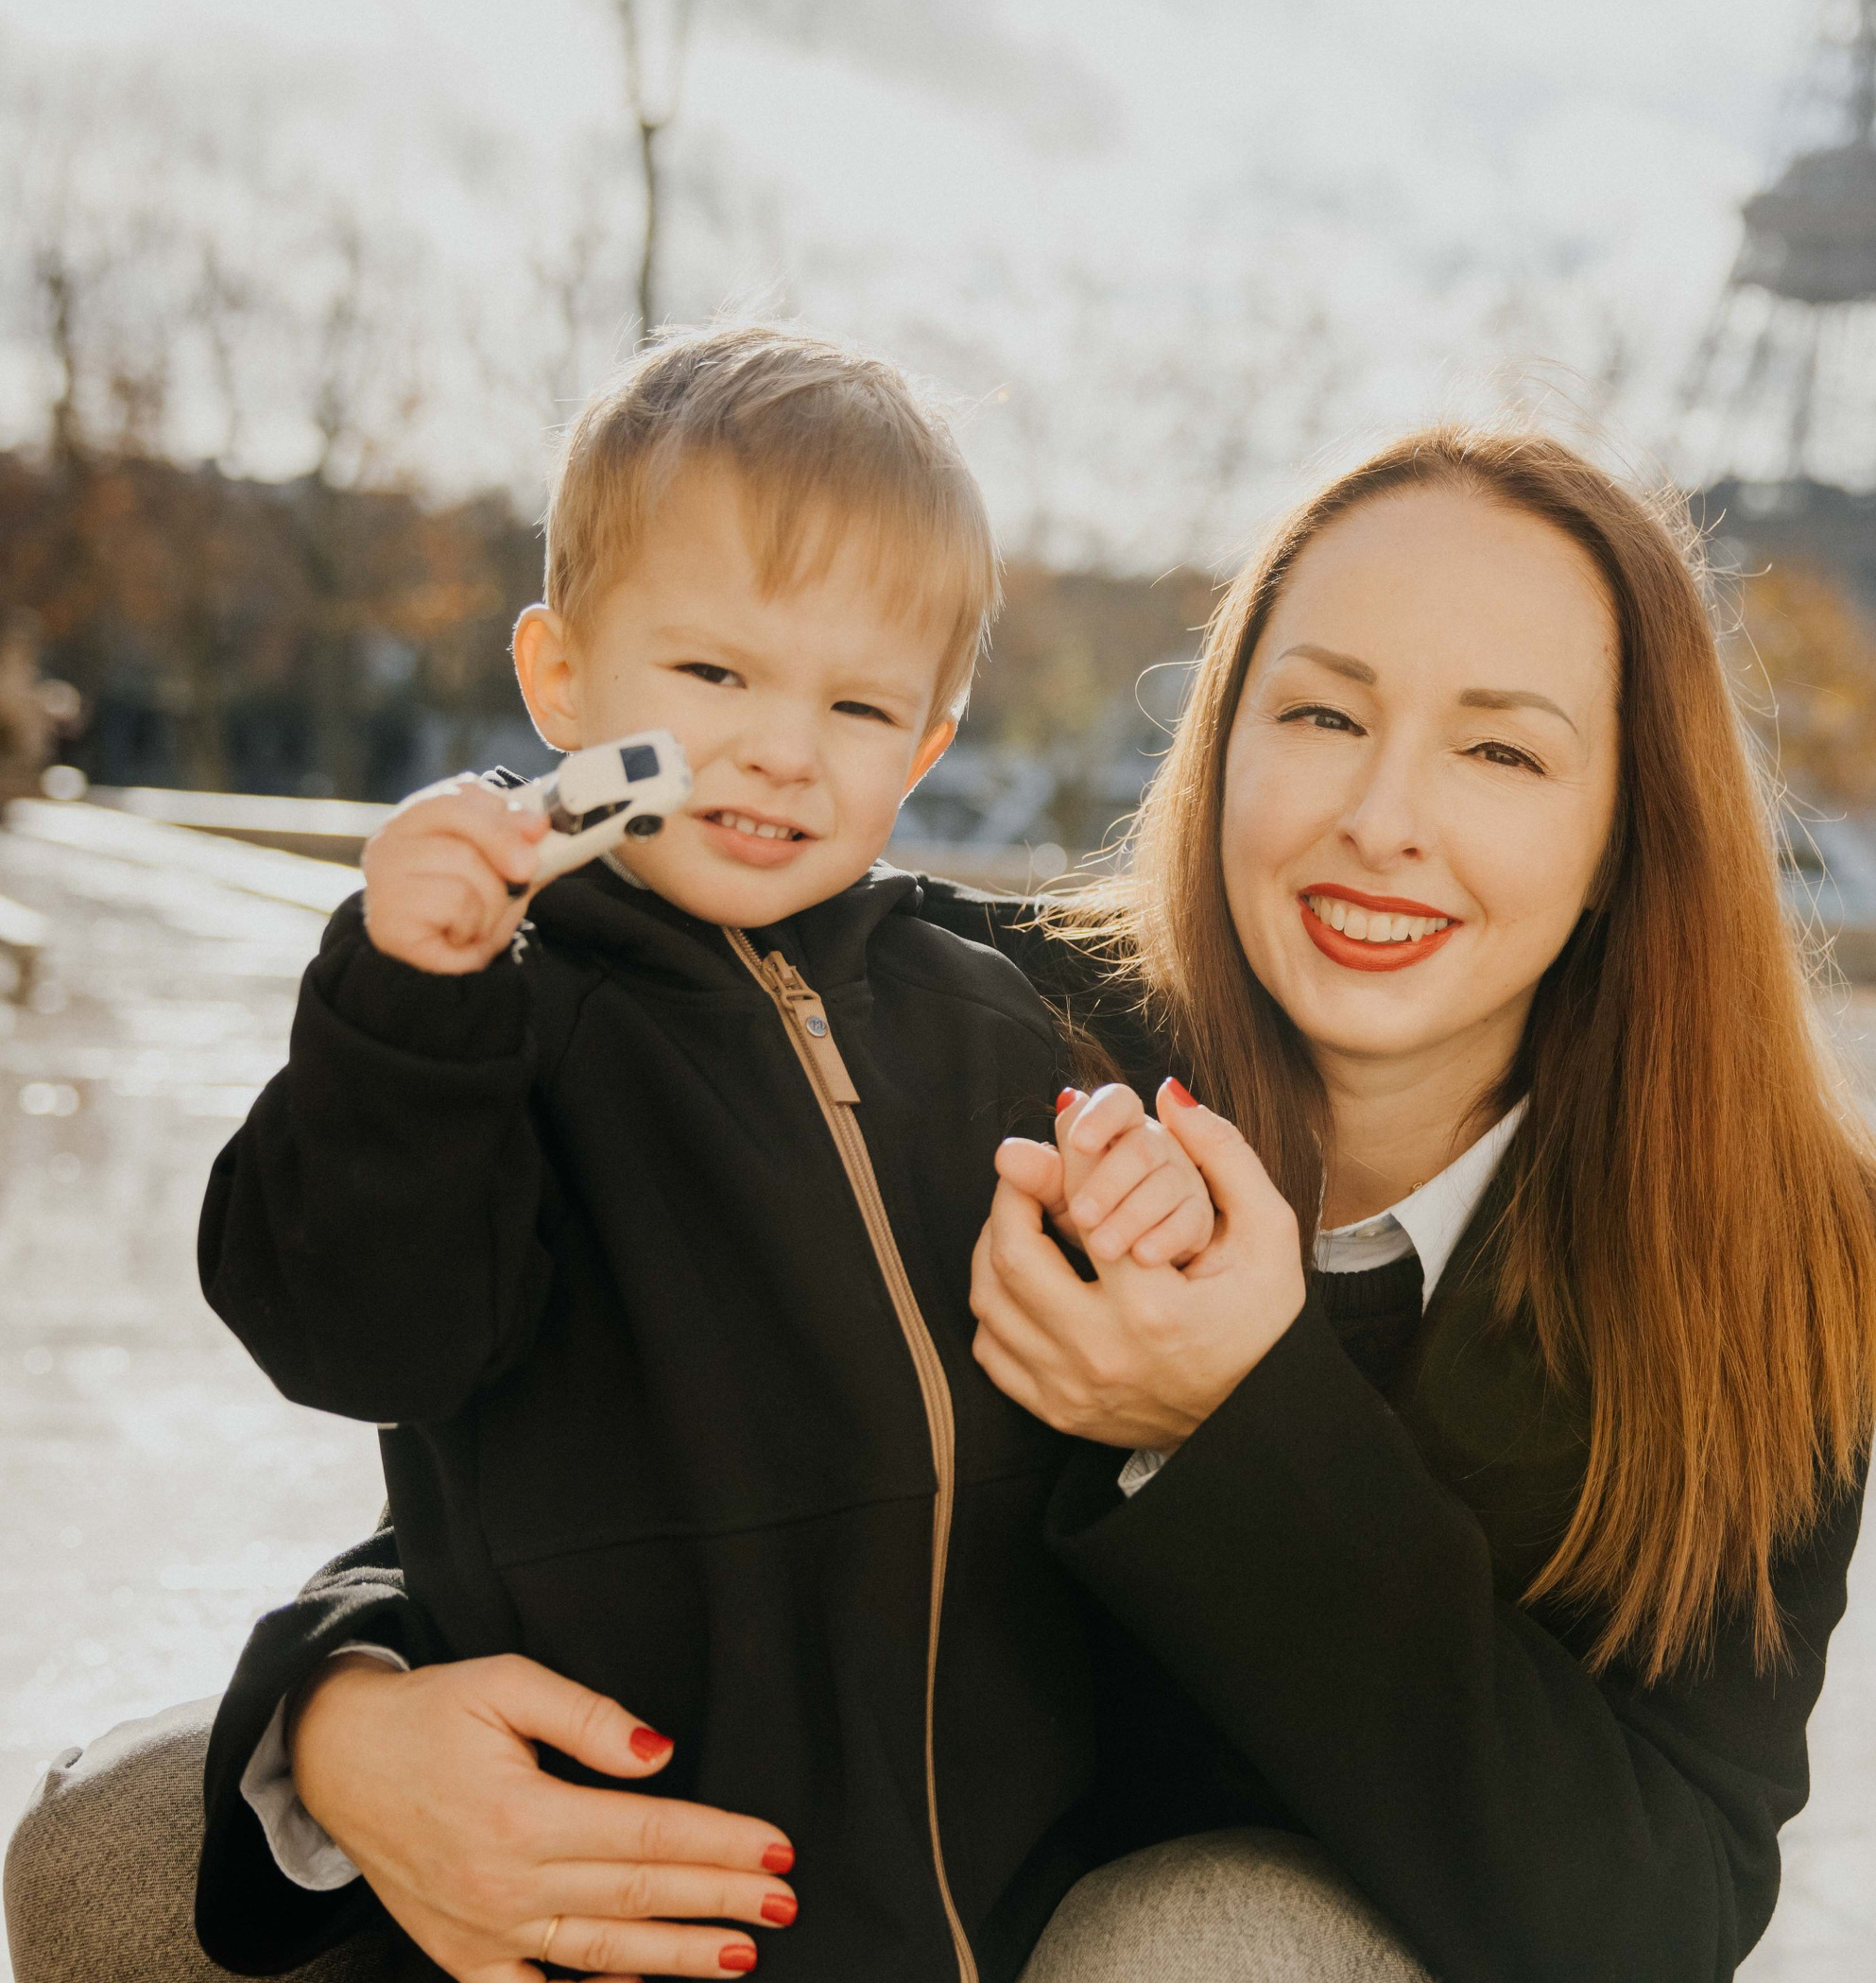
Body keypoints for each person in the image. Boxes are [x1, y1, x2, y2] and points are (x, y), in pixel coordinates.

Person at [7, 424, 1876, 1983]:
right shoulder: (999, 1025)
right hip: (820, 1873)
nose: (1382, 817)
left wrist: (1232, 1419)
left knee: (1209, 1949)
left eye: (1501, 748)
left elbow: (1654, 1911)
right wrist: (344, 1708)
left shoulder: (1764, 1257)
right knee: (126, 1835)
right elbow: (618, 1430)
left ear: (1626, 826)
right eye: (1321, 715)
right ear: (1222, 741)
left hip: (1202, 1935)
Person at [195, 323, 1213, 1983]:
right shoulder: (494, 1014)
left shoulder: (987, 1016)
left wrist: (1143, 1218)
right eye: (715, 677)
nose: (781, 749)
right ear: (562, 682)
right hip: (619, 1896)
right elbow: (364, 1339)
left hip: (993, 1897)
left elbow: (1102, 1389)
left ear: (928, 743)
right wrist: (409, 1009)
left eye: (858, 703)